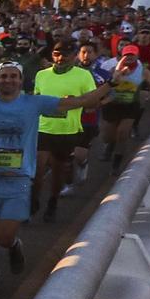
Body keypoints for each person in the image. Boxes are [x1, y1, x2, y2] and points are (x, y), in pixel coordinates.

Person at [0, 59, 105, 296]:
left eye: (13, 76)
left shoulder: (35, 102)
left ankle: (14, 246)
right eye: (4, 76)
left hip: (19, 180)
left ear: (22, 81)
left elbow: (84, 101)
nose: (8, 80)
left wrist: (112, 82)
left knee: (4, 236)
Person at [32, 42, 98, 223]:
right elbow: (37, 100)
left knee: (57, 172)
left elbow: (92, 103)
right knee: (36, 169)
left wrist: (75, 101)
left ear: (74, 56)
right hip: (42, 129)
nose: (60, 58)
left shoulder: (84, 76)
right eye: (56, 54)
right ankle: (33, 201)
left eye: (65, 55)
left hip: (68, 132)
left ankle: (52, 202)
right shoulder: (41, 75)